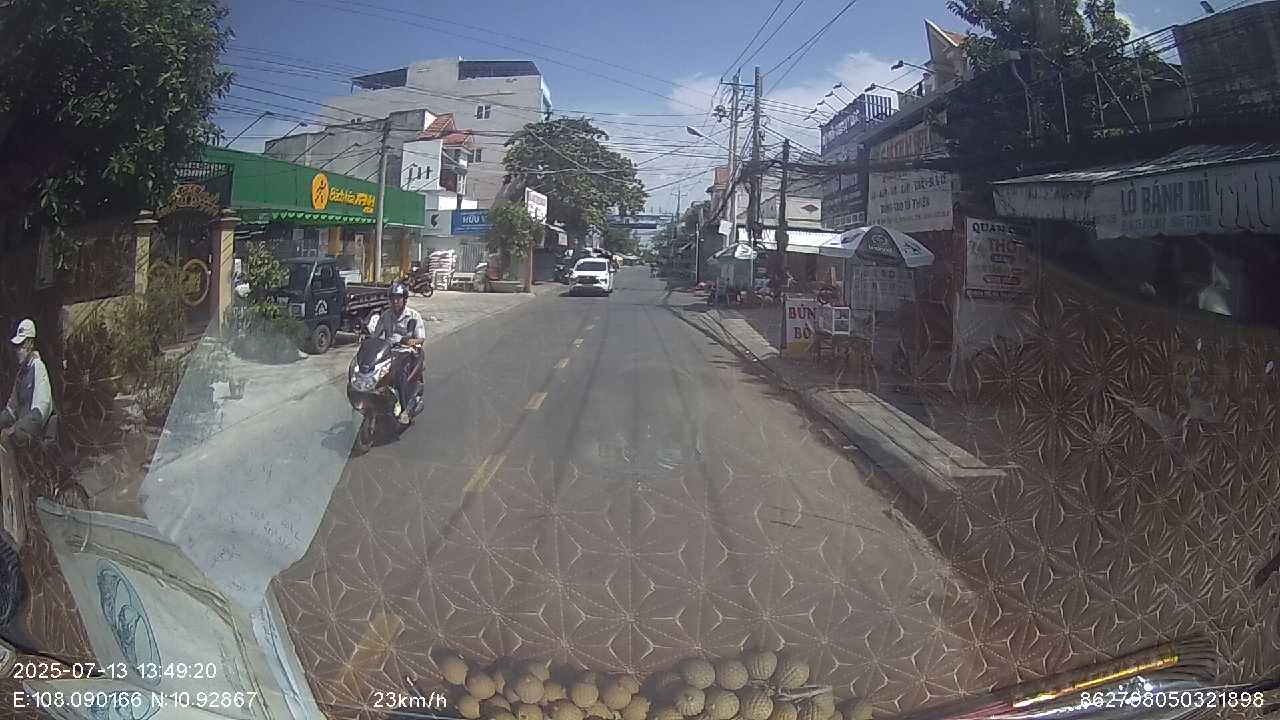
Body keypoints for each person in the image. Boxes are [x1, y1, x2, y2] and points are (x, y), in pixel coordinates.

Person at [370, 283, 426, 424]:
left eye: (399, 298)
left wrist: (405, 340)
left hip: (407, 354)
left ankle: (404, 410)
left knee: (400, 374)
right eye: (393, 298)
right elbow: (376, 335)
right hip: (389, 353)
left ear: (404, 299)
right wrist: (368, 339)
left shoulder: (413, 316)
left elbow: (420, 340)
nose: (395, 301)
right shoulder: (386, 316)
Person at [0, 319, 55, 448]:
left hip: (36, 441)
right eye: (17, 346)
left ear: (30, 343)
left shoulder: (38, 368)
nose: (17, 350)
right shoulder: (21, 374)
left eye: (21, 345)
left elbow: (41, 410)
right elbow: (12, 409)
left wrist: (14, 430)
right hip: (21, 436)